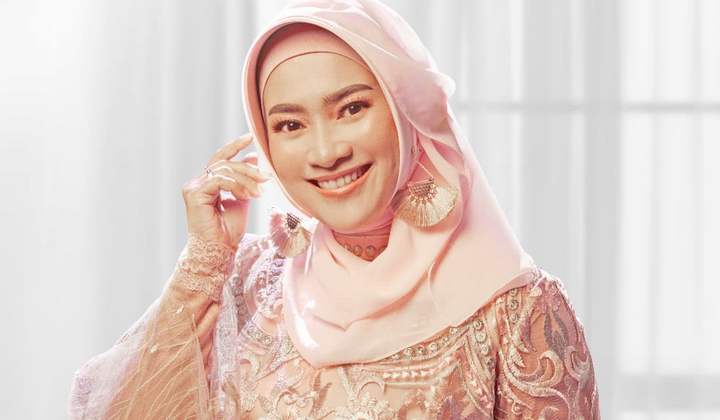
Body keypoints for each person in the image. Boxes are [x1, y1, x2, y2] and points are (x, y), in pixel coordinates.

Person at [68, 0, 600, 418]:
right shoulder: (245, 280)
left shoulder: (517, 309)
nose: (325, 153)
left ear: (404, 111)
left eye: (351, 108)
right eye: (290, 125)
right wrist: (205, 261)